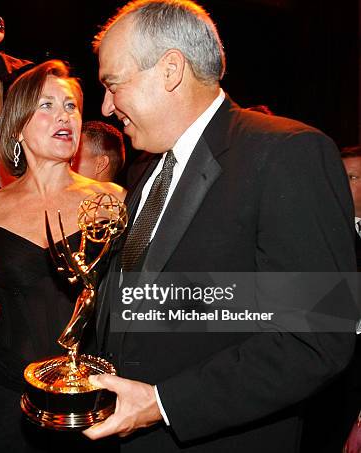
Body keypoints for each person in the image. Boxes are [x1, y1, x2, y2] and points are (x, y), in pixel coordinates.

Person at [82, 1, 357, 452]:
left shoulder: (286, 153)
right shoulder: (149, 170)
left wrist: (161, 403)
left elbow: (315, 338)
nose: (107, 106)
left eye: (113, 84)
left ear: (170, 71)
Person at [0, 60, 125, 452]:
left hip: (89, 398)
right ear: (17, 125)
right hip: (8, 399)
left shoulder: (111, 201)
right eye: (46, 105)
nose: (63, 115)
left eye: (71, 106)